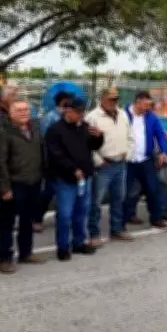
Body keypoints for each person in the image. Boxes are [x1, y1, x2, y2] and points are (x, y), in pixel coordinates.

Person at [45, 97, 104, 260]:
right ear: (67, 111)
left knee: (82, 212)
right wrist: (72, 169)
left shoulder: (85, 127)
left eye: (82, 112)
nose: (81, 115)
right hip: (66, 179)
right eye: (78, 112)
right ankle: (63, 247)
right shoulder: (55, 130)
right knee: (65, 215)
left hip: (85, 177)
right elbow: (55, 154)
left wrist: (99, 137)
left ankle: (79, 242)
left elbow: (94, 147)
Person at [0, 100, 47, 273]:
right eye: (19, 110)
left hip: (33, 182)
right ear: (10, 113)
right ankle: (5, 258)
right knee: (7, 223)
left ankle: (26, 253)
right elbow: (1, 161)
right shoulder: (4, 132)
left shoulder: (34, 129)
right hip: (14, 183)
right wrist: (5, 187)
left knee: (27, 220)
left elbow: (41, 153)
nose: (24, 112)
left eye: (26, 109)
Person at [85, 87, 135, 245]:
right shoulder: (92, 117)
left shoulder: (123, 114)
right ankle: (94, 233)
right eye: (111, 99)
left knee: (119, 198)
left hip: (121, 163)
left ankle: (117, 229)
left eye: (116, 99)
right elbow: (86, 144)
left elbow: (130, 136)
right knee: (96, 201)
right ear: (102, 99)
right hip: (103, 166)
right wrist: (98, 160)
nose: (115, 102)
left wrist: (128, 153)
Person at [123, 91, 167, 230]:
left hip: (146, 159)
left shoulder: (151, 117)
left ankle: (156, 218)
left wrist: (163, 151)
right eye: (145, 105)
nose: (147, 108)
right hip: (128, 160)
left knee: (153, 189)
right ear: (137, 102)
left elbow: (160, 134)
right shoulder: (123, 115)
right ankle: (123, 220)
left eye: (149, 105)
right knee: (127, 192)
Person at [33, 91, 74, 233]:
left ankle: (62, 218)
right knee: (48, 192)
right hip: (52, 163)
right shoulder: (50, 118)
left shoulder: (69, 118)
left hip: (66, 162)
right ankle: (37, 218)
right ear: (62, 102)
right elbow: (45, 141)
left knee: (62, 192)